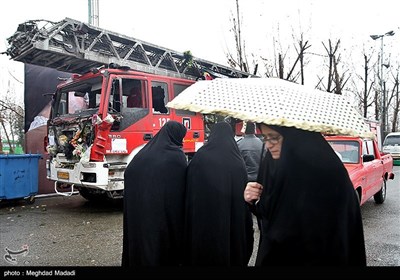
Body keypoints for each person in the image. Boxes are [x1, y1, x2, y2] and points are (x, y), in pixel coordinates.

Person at [244, 124, 366, 266]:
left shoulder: (328, 171)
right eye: (265, 137)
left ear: (294, 136)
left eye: (274, 138)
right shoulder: (273, 163)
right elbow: (269, 213)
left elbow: (335, 230)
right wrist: (253, 200)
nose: (268, 144)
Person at [183, 121, 254, 266]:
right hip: (230, 222)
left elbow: (190, 188)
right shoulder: (237, 161)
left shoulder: (201, 157)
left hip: (204, 221)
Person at [121, 120, 188, 266]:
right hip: (161, 211)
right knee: (158, 243)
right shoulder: (177, 156)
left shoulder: (145, 151)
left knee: (143, 240)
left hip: (140, 207)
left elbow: (130, 173)